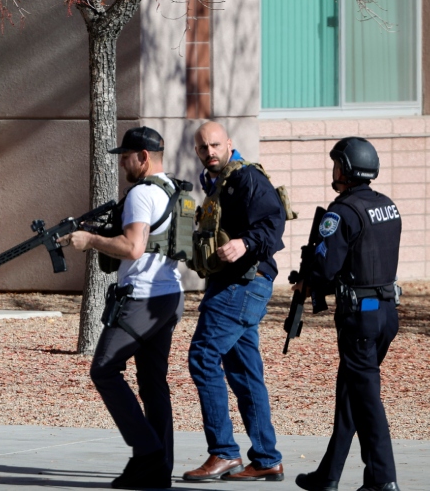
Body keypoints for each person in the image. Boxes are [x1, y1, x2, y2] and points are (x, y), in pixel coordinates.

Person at [61, 127, 185, 490]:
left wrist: (90, 240)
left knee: (104, 369)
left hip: (143, 298)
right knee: (152, 382)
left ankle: (147, 453)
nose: (123, 163)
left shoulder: (142, 194)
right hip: (169, 296)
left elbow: (132, 248)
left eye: (127, 156)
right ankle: (158, 468)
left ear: (143, 157)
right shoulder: (173, 189)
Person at [293, 137, 402, 491]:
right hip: (386, 312)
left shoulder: (343, 211)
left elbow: (326, 267)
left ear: (347, 168)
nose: (334, 170)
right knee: (351, 394)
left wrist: (308, 282)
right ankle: (328, 476)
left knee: (366, 398)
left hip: (360, 318)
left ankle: (383, 480)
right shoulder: (388, 206)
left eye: (337, 164)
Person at [184, 121, 286, 482]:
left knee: (202, 356)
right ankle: (266, 459)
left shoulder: (246, 179)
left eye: (215, 145)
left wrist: (245, 243)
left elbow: (273, 223)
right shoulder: (215, 182)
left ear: (229, 143)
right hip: (231, 284)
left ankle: (224, 453)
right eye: (202, 148)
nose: (209, 152)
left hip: (243, 284)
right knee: (243, 371)